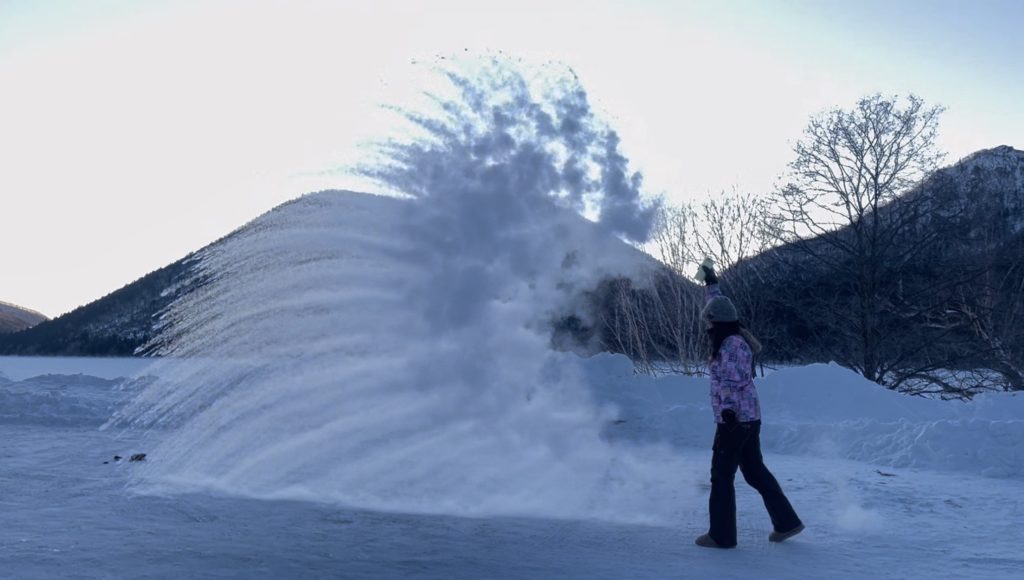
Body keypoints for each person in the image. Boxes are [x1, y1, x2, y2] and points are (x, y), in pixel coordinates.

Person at [694, 263, 804, 549]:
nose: (705, 326)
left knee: (721, 476)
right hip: (748, 418)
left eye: (708, 322)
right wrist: (711, 283)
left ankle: (721, 535)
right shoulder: (734, 334)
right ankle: (787, 523)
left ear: (715, 323)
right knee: (754, 471)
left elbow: (733, 381)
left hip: (735, 420)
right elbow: (718, 305)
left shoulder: (731, 345)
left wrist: (729, 412)